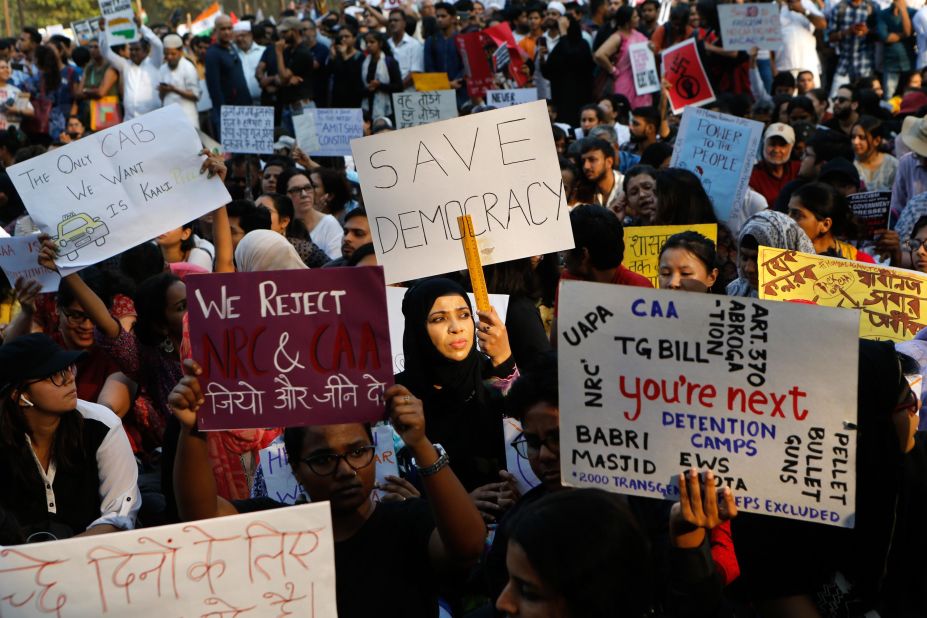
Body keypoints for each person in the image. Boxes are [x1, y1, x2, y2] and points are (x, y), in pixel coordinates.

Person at [168, 355, 485, 617]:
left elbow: (468, 547)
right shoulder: (277, 530)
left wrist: (420, 443)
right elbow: (203, 518)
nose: (346, 470)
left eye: (358, 452)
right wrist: (193, 430)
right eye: (323, 460)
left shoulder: (407, 521)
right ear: (295, 467)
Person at [0, 333, 140, 542]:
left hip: (93, 559)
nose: (69, 379)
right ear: (20, 395)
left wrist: (58, 557)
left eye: (69, 368)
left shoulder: (102, 425)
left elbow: (120, 516)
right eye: (54, 375)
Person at [396, 278, 515, 498]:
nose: (456, 328)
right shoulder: (397, 396)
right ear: (417, 328)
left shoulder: (495, 376)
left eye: (463, 315)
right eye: (439, 319)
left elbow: (526, 443)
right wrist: (459, 507)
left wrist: (505, 360)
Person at [726, 210, 815, 297]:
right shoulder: (733, 293)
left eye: (759, 259)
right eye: (744, 258)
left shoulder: (812, 298)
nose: (748, 269)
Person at [560, 204, 652, 288]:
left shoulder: (639, 289)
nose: (562, 254)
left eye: (566, 248)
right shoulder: (568, 283)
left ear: (584, 255)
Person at [787, 181, 875, 261]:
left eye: (797, 215)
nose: (787, 219)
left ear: (825, 225)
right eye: (788, 212)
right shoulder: (778, 255)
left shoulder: (861, 263)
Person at [101, 16, 164, 120]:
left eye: (137, 50)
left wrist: (141, 27)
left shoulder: (154, 63)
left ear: (146, 51)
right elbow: (105, 52)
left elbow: (158, 45)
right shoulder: (125, 65)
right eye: (131, 49)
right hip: (130, 119)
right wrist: (104, 32)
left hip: (153, 119)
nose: (133, 53)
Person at [277, 167, 343, 259]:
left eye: (308, 188)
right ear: (283, 195)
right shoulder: (276, 223)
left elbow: (335, 264)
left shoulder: (329, 223)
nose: (304, 194)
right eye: (296, 190)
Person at [541, 15, 594, 127]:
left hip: (578, 97)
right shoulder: (559, 46)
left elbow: (572, 57)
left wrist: (564, 34)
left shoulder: (582, 44)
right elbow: (548, 73)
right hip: (561, 98)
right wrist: (542, 60)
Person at [593, 6, 651, 109]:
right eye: (635, 17)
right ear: (627, 20)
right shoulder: (617, 37)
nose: (638, 19)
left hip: (641, 81)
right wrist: (612, 70)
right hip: (623, 80)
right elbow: (599, 55)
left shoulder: (638, 34)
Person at [205, 15, 252, 139]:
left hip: (244, 109)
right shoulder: (212, 54)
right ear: (216, 31)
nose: (227, 32)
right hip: (229, 114)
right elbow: (214, 88)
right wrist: (225, 114)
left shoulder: (231, 47)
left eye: (229, 28)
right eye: (223, 29)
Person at [255, 192, 330, 267]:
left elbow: (334, 271)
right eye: (254, 211)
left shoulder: (303, 250)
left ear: (284, 221)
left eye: (264, 211)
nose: (256, 216)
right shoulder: (246, 247)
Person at [826, 0, 877, 96]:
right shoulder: (840, 7)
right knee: (835, 98)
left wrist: (867, 32)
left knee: (865, 101)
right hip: (844, 63)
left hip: (865, 65)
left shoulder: (872, 7)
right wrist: (847, 32)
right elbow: (829, 37)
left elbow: (880, 34)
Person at [749, 122, 802, 207]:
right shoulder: (751, 175)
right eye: (772, 144)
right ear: (764, 144)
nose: (776, 150)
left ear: (791, 147)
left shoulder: (799, 169)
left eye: (782, 145)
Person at [776, 0, 826, 87]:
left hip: (807, 64)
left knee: (811, 97)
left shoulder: (806, 3)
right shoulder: (774, 6)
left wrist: (803, 11)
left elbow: (822, 24)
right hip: (783, 65)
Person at [275, 16, 316, 119]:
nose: (282, 36)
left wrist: (278, 53)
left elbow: (283, 78)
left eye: (285, 32)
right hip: (289, 106)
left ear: (295, 31)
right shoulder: (289, 51)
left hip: (302, 107)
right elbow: (280, 76)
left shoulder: (302, 52)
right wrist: (284, 78)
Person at [424, 3, 465, 102]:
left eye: (443, 16)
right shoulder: (431, 40)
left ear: (453, 18)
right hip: (438, 93)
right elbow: (429, 67)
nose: (439, 19)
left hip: (461, 90)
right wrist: (447, 84)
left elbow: (466, 66)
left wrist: (457, 80)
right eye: (437, 16)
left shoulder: (462, 39)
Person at [158, 34, 200, 129]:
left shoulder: (188, 67)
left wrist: (174, 89)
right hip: (170, 120)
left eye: (173, 54)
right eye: (166, 54)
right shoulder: (162, 69)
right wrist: (163, 90)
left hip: (188, 118)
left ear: (180, 51)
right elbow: (161, 98)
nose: (169, 57)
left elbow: (195, 95)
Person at [877, 0, 916, 99]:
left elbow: (909, 32)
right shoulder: (883, 14)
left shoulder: (912, 12)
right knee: (888, 98)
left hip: (909, 63)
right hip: (890, 64)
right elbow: (885, 37)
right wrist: (904, 35)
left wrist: (903, 10)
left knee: (910, 97)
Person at [361, 31, 403, 122]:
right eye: (366, 42)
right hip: (367, 105)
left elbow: (399, 86)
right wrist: (368, 88)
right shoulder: (364, 62)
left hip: (386, 107)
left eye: (372, 42)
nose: (368, 45)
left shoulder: (389, 62)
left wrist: (380, 85)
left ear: (380, 43)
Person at [852, 115, 898, 191]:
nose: (855, 142)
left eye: (862, 137)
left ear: (876, 140)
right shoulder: (851, 164)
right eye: (853, 137)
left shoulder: (893, 166)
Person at [578, 138, 624, 211]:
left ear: (609, 162)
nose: (586, 166)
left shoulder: (626, 186)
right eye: (583, 161)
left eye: (592, 160)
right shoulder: (585, 191)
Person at [387, 9, 424, 90]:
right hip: (387, 95)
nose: (392, 23)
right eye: (390, 21)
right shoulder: (386, 44)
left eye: (396, 20)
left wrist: (397, 88)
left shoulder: (415, 45)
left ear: (404, 23)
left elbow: (415, 72)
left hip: (407, 95)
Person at [233, 21, 265, 105]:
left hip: (264, 102)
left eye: (243, 35)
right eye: (237, 36)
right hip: (241, 104)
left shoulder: (263, 51)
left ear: (250, 35)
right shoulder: (231, 54)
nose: (239, 39)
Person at [0, 58, 33, 130]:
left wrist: (17, 110)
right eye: (2, 68)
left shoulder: (16, 90)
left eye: (7, 67)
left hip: (11, 133)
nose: (6, 70)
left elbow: (31, 111)